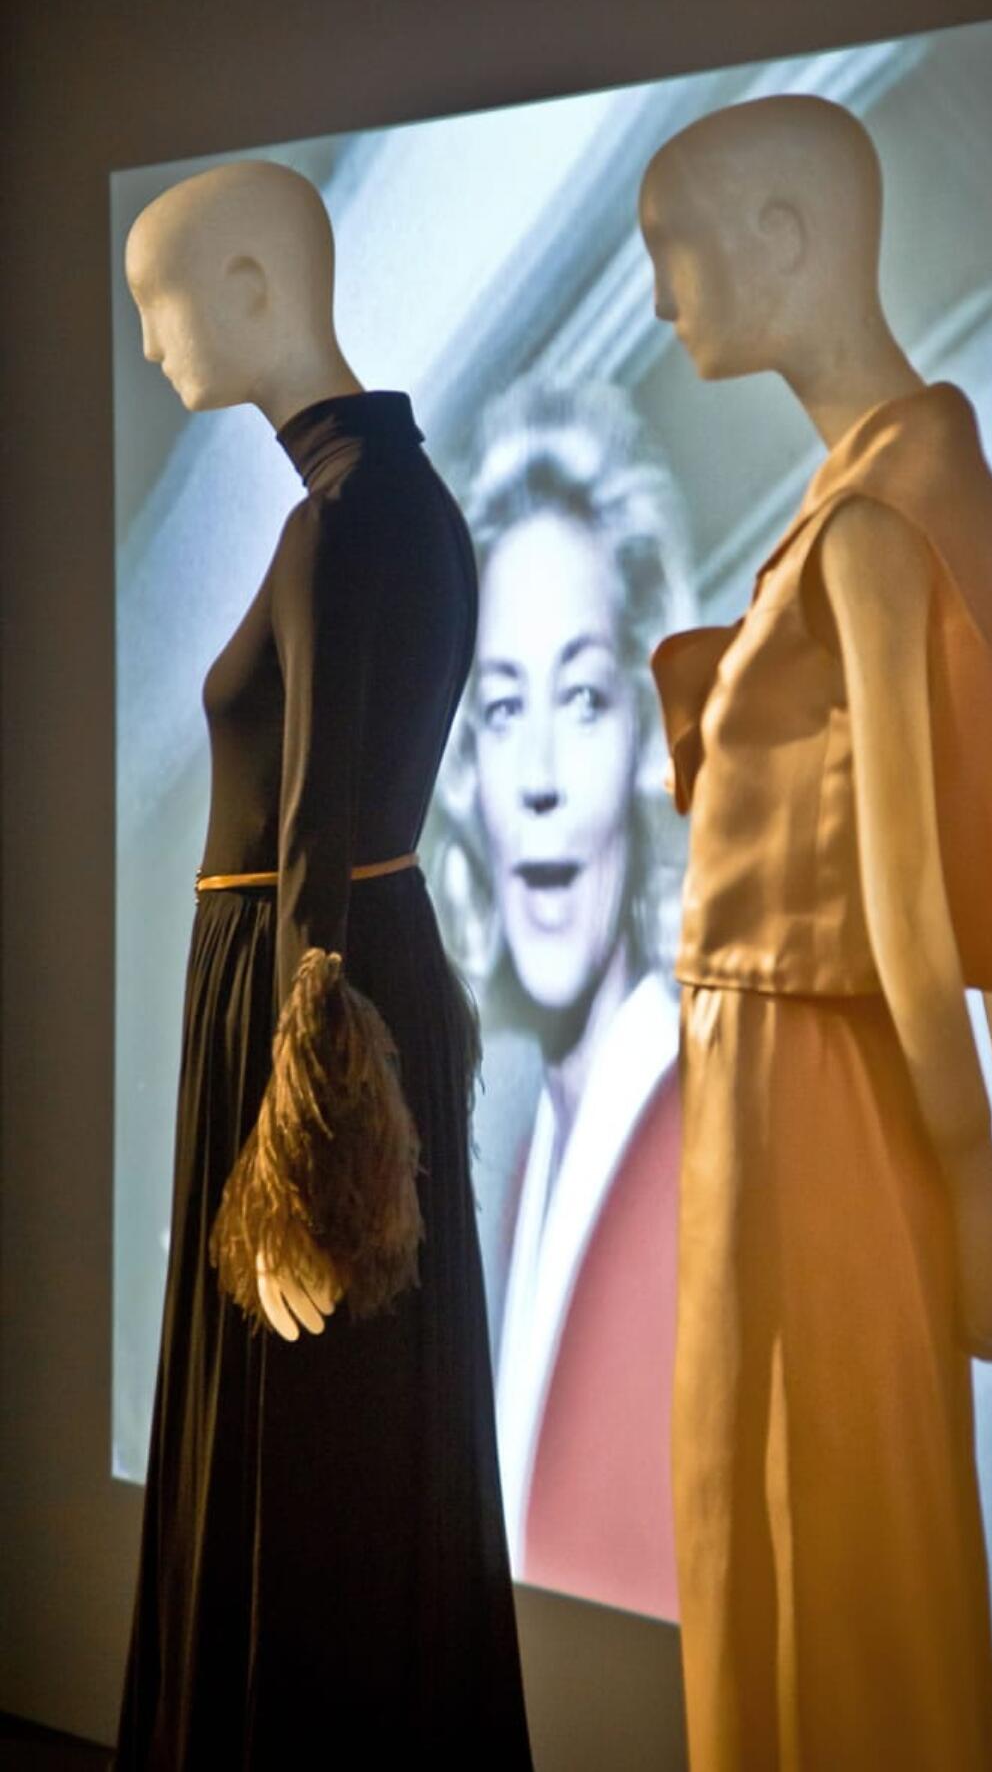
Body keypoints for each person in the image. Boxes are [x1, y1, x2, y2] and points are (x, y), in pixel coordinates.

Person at [638, 96, 992, 1770]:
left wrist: (983, 1172)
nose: (664, 299)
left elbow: (924, 893)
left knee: (806, 1522)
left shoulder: (887, 503)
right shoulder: (884, 483)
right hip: (790, 1083)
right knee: (804, 1512)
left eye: (674, 252)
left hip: (807, 1097)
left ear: (783, 239)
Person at [115, 160, 533, 1768]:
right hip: (328, 995)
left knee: (319, 1449)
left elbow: (317, 842)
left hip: (314, 1015)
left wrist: (303, 1120)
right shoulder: (381, 500)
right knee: (341, 1442)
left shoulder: (354, 518)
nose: (151, 344)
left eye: (161, 303)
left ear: (246, 290)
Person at [432, 377, 691, 1620]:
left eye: (581, 697)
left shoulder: (723, 1135)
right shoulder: (534, 1152)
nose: (534, 774)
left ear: (647, 737)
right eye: (497, 708)